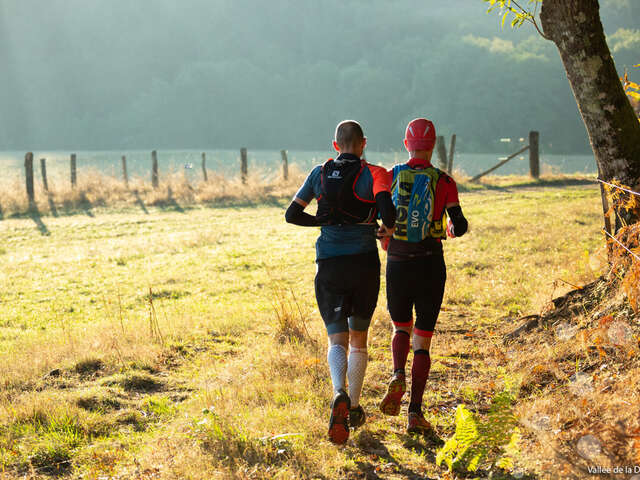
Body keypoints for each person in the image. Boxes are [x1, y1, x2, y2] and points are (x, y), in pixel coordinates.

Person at [285, 120, 396, 445]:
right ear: (363, 144)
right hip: (363, 263)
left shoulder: (319, 172)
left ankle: (338, 393)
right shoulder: (375, 173)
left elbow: (292, 214)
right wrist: (384, 229)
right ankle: (356, 406)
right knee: (359, 339)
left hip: (329, 264)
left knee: (337, 339)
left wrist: (320, 221)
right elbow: (388, 214)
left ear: (336, 145)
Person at [378, 118, 468, 434]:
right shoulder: (444, 181)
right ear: (432, 146)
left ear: (407, 144)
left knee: (401, 327)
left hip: (398, 263)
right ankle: (415, 412)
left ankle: (397, 374)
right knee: (423, 340)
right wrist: (450, 228)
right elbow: (460, 224)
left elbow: (379, 217)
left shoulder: (390, 176)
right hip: (431, 265)